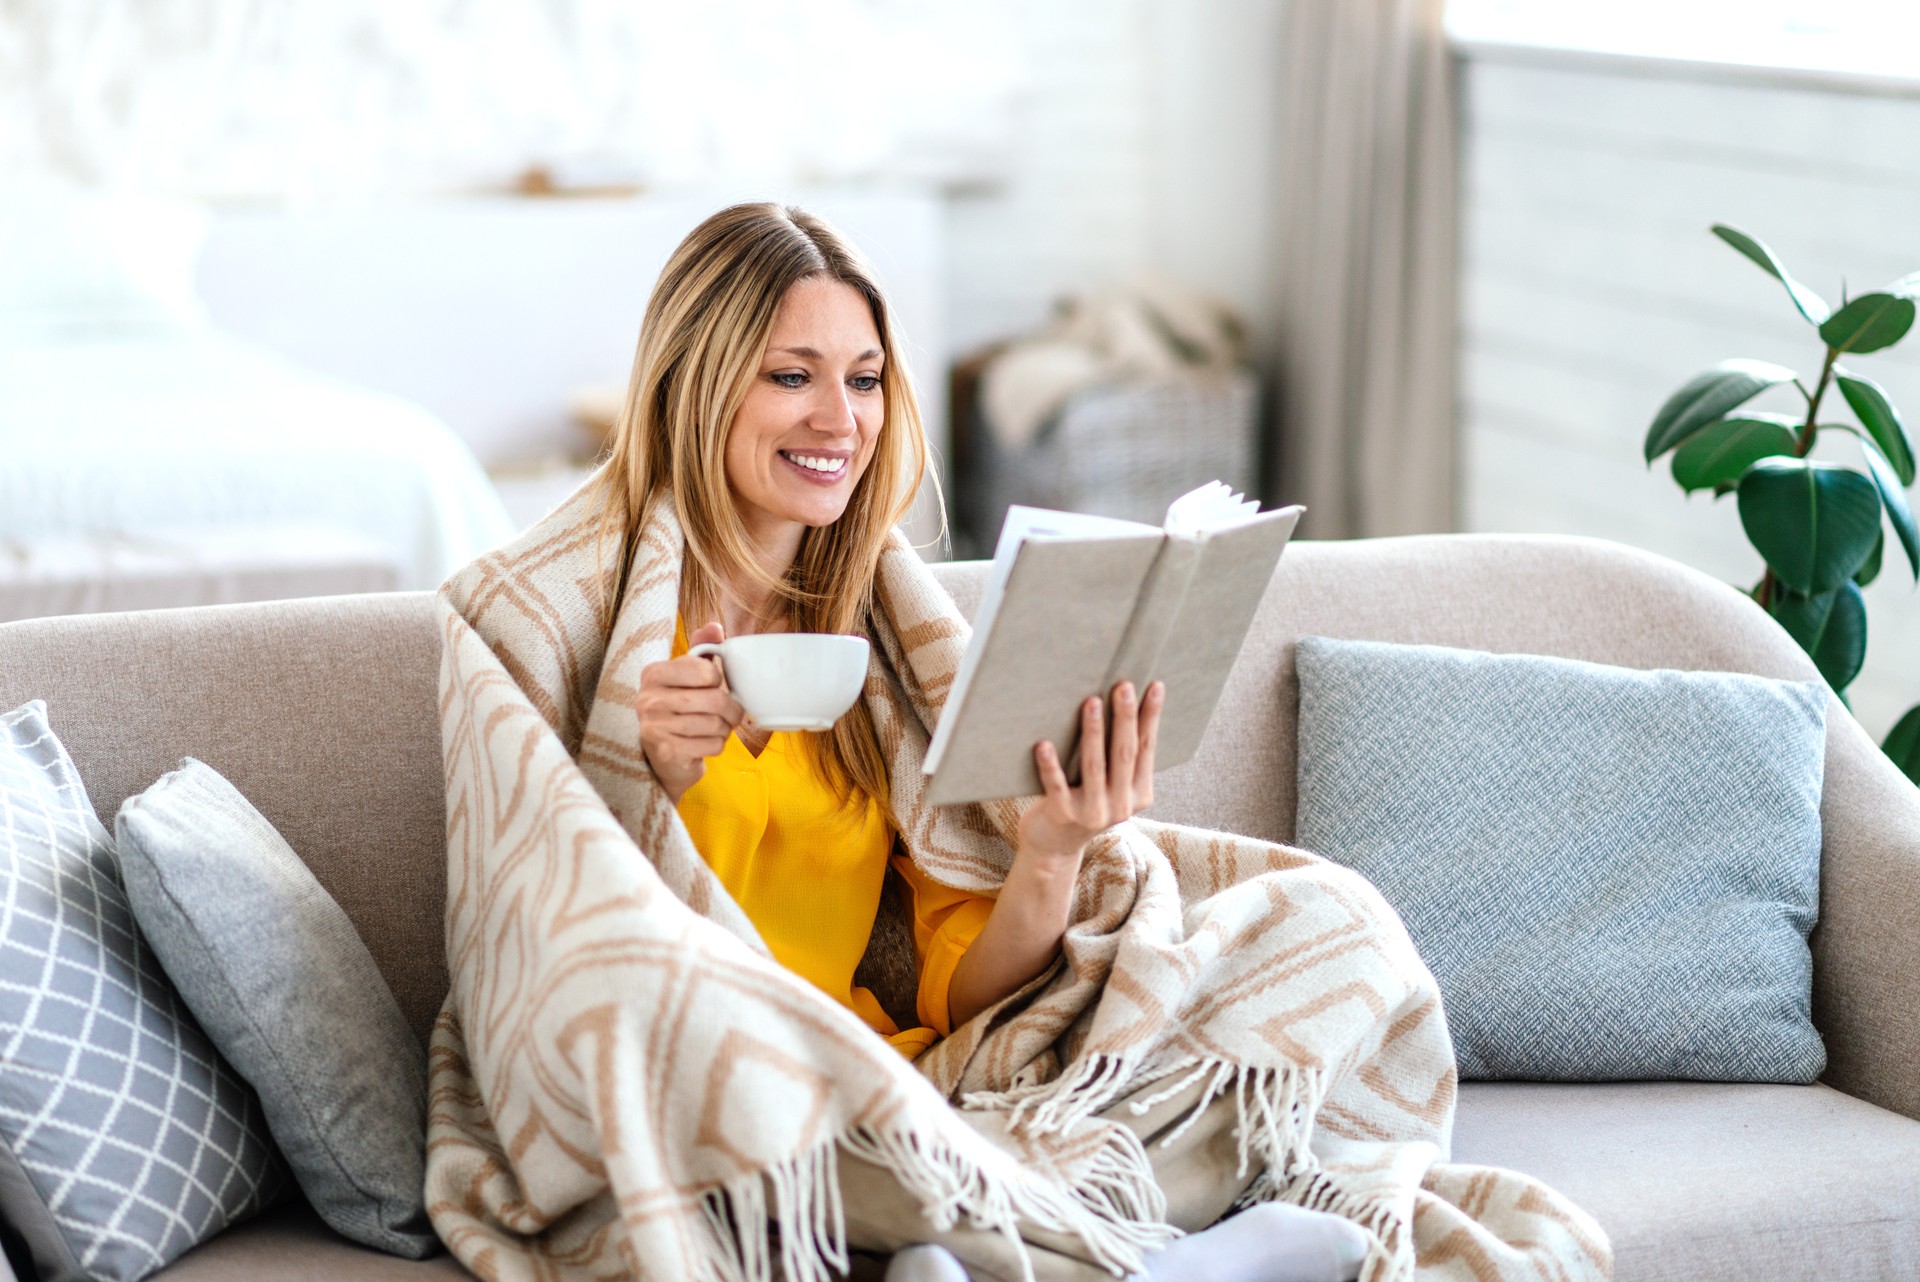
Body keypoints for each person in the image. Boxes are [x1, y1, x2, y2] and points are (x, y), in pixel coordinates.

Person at [599, 202, 1370, 1282]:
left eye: (864, 379)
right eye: (792, 376)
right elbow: (556, 926)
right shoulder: (591, 625)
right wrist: (645, 784)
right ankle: (1163, 1262)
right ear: (696, 381)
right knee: (833, 1158)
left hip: (898, 1076)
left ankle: (992, 1246)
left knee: (1331, 919)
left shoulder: (871, 638)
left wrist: (1053, 848)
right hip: (721, 1090)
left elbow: (959, 996)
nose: (839, 418)